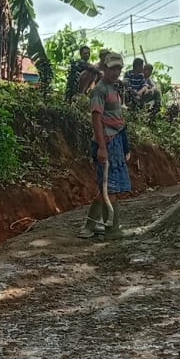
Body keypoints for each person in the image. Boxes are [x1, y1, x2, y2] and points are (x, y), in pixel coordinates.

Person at [78, 53, 131, 241]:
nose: (116, 72)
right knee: (110, 187)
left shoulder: (113, 88)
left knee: (106, 188)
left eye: (119, 68)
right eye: (113, 68)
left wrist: (124, 146)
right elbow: (96, 118)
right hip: (106, 141)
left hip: (115, 140)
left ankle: (90, 225)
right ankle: (112, 228)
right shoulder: (100, 90)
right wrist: (102, 147)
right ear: (105, 68)